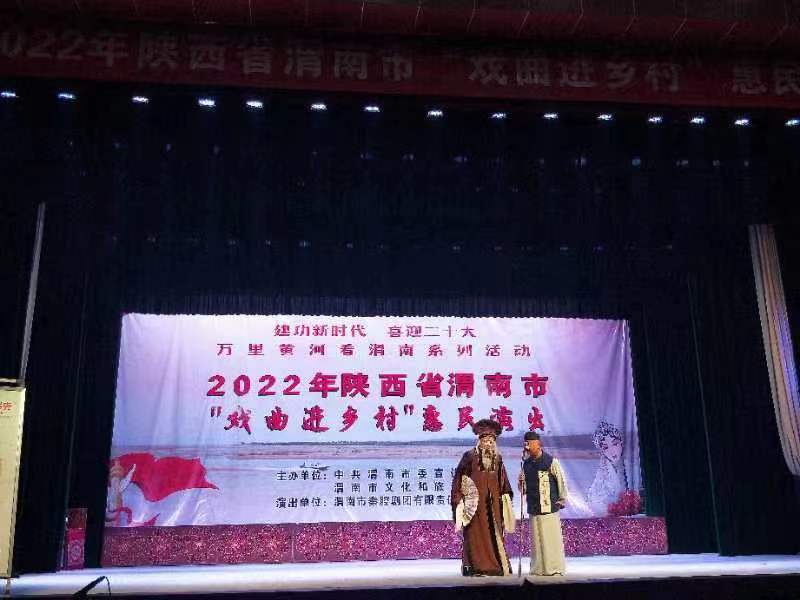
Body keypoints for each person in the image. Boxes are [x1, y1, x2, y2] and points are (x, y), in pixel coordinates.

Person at [451, 418, 515, 576]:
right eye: (485, 441)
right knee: (475, 536)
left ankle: (496, 566)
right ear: (479, 441)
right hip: (475, 506)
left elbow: (503, 481)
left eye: (491, 441)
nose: (488, 444)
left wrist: (506, 497)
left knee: (495, 535)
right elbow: (459, 479)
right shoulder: (469, 456)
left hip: (493, 506)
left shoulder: (498, 459)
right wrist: (459, 500)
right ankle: (476, 567)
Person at [518, 431, 568, 576]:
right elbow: (523, 489)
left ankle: (554, 567)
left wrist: (562, 499)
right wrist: (521, 483)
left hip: (549, 505)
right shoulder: (526, 464)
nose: (527, 446)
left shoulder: (551, 461)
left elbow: (561, 481)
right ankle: (538, 568)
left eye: (530, 443)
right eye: (526, 443)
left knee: (550, 539)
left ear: (538, 444)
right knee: (537, 540)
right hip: (534, 506)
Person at [587, 420, 628, 515]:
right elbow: (593, 500)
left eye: (615, 444)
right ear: (602, 451)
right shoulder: (602, 473)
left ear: (621, 443)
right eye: (606, 447)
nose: (612, 451)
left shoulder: (631, 465)